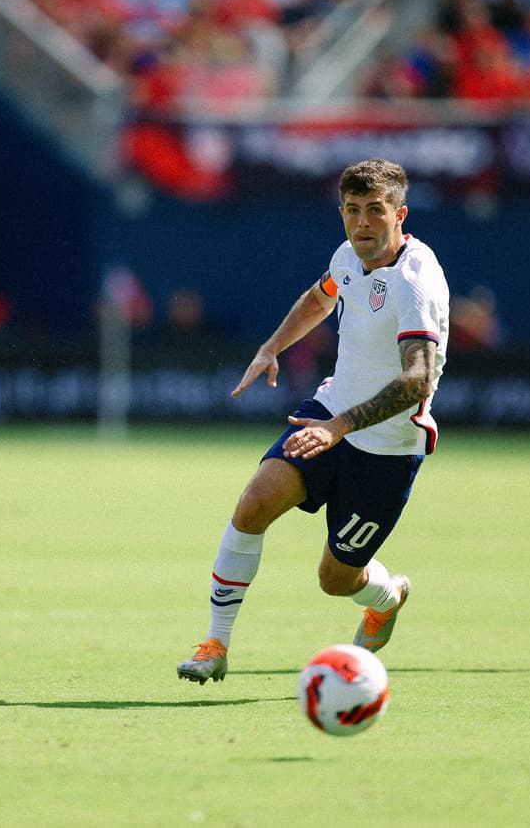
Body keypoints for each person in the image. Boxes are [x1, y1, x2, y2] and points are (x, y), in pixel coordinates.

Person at [176, 158, 449, 685]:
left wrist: (340, 427)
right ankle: (215, 643)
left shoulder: (417, 281)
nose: (362, 223)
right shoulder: (348, 255)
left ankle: (387, 599)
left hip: (387, 448)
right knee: (254, 504)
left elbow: (418, 380)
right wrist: (272, 346)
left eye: (375, 211)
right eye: (351, 210)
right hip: (331, 413)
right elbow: (322, 297)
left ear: (400, 214)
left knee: (335, 579)